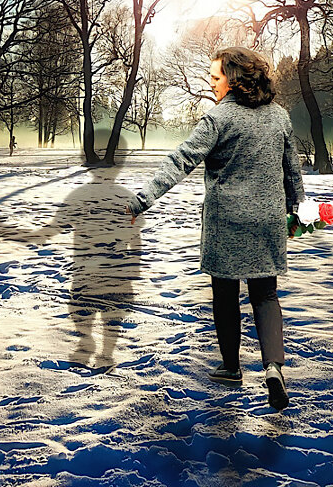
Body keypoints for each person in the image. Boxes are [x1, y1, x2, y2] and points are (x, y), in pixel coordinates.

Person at [125, 46, 306, 411]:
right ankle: (273, 368)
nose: (212, 84)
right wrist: (298, 213)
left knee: (225, 294)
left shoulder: (218, 119)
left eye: (216, 77)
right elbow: (293, 171)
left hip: (228, 221)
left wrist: (140, 200)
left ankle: (232, 367)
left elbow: (181, 161)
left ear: (235, 79)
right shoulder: (280, 116)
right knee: (265, 295)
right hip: (268, 221)